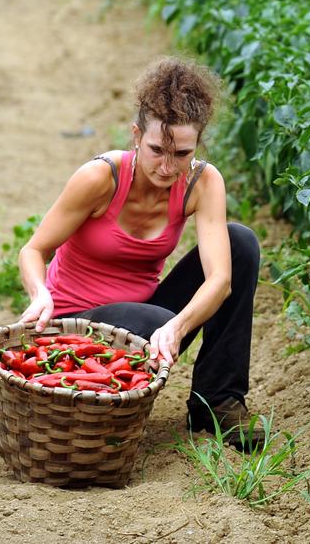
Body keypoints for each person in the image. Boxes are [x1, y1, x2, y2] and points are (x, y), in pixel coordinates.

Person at [17, 57, 266, 449]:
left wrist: (179, 327)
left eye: (182, 154)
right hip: (74, 331)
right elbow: (33, 250)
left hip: (151, 327)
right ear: (136, 135)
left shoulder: (203, 182)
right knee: (151, 317)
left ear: (197, 145)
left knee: (241, 244)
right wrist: (39, 294)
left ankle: (215, 402)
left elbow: (220, 279)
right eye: (156, 150)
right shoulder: (101, 177)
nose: (167, 167)